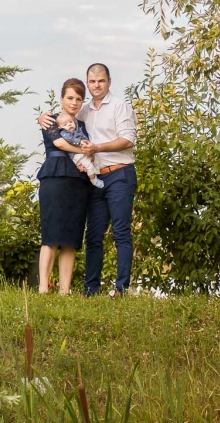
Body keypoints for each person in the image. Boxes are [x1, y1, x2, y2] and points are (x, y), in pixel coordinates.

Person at [39, 63, 137, 296]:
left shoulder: (119, 107)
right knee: (93, 235)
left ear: (109, 82)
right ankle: (90, 290)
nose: (96, 86)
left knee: (121, 232)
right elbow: (63, 118)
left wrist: (95, 148)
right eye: (92, 82)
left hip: (119, 173)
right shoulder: (83, 112)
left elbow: (128, 139)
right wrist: (43, 116)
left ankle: (121, 289)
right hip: (94, 180)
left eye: (101, 81)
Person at [35, 78, 93, 294]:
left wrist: (90, 153)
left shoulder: (84, 126)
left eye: (79, 99)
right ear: (61, 99)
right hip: (54, 177)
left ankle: (64, 290)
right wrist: (84, 151)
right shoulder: (49, 119)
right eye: (70, 97)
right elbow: (59, 143)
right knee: (51, 234)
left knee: (71, 237)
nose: (74, 102)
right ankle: (43, 288)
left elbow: (91, 148)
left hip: (78, 183)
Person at [54, 109, 103, 188]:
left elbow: (84, 137)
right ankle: (94, 180)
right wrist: (80, 142)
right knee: (88, 165)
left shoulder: (77, 130)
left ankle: (95, 174)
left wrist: (88, 144)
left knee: (95, 161)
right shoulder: (65, 133)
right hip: (76, 155)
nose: (69, 125)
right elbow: (70, 139)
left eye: (70, 122)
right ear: (60, 127)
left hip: (84, 152)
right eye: (65, 124)